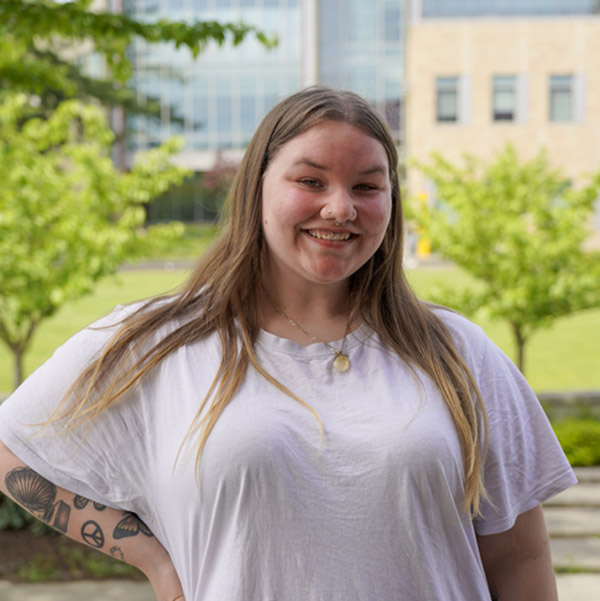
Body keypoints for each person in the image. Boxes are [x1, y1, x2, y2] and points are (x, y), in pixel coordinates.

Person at [0, 87, 575, 601]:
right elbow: (12, 446)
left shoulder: (457, 352)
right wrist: (154, 559)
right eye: (311, 181)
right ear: (257, 187)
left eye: (367, 186)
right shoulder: (159, 344)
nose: (341, 207)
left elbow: (519, 559)